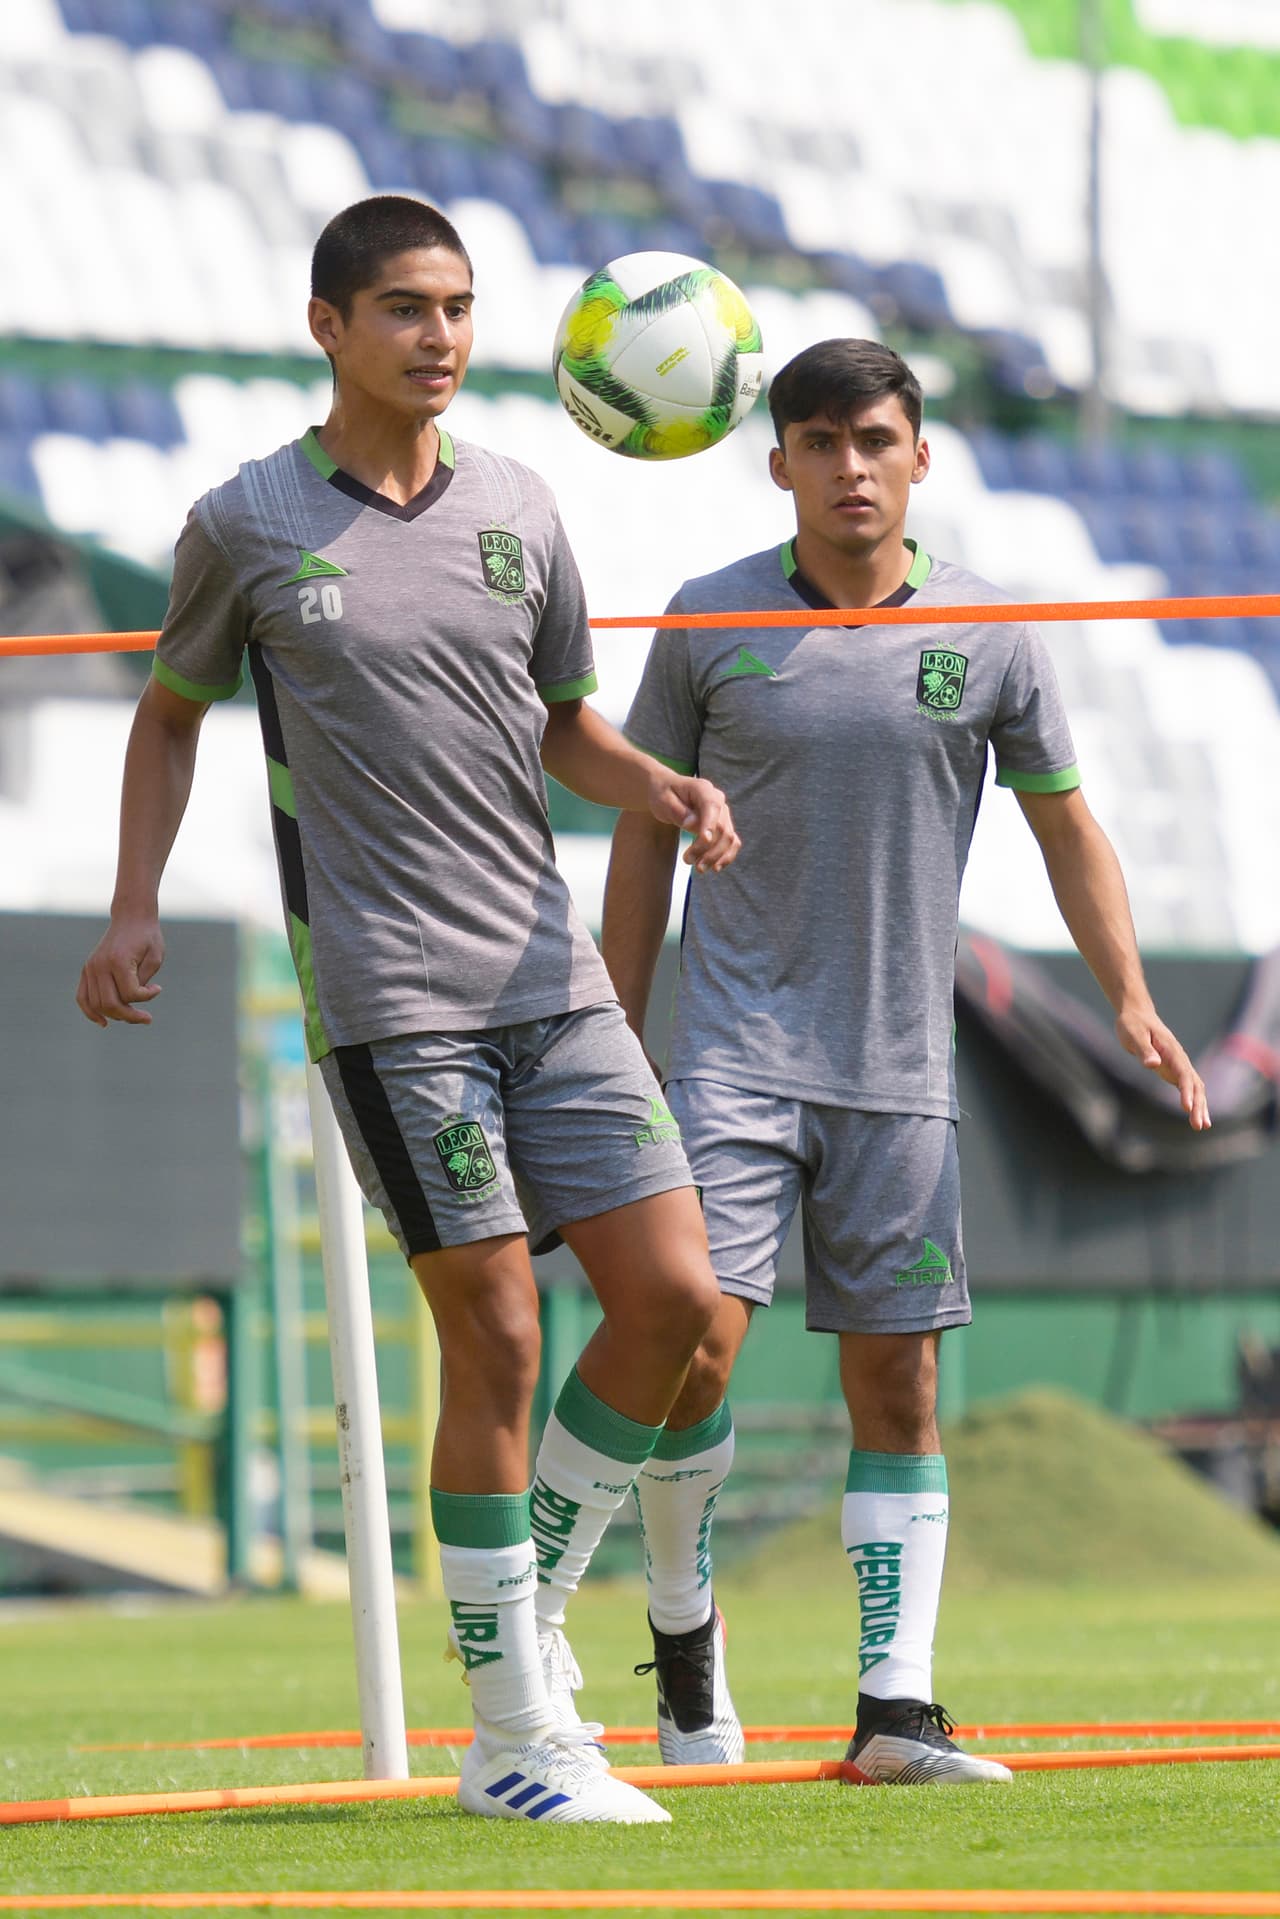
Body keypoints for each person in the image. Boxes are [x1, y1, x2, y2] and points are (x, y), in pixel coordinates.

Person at [75, 195, 742, 1826]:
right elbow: (168, 720)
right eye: (402, 309)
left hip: (554, 979)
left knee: (681, 1313)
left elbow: (566, 724)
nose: (439, 336)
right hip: (393, 1005)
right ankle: (513, 1737)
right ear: (328, 327)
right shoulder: (243, 523)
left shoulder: (523, 502)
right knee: (501, 1337)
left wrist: (650, 778)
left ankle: (539, 1619)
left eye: (456, 307)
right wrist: (137, 903)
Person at [601, 338, 1210, 1786]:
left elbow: (1066, 822)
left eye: (876, 439)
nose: (851, 466)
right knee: (693, 1350)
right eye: (821, 442)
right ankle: (683, 1629)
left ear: (919, 457)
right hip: (732, 1053)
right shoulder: (703, 622)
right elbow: (636, 834)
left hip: (899, 1071)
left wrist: (1125, 992)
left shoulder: (998, 634)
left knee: (904, 1390)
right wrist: (618, 1028)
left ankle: (897, 1709)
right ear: (782, 465)